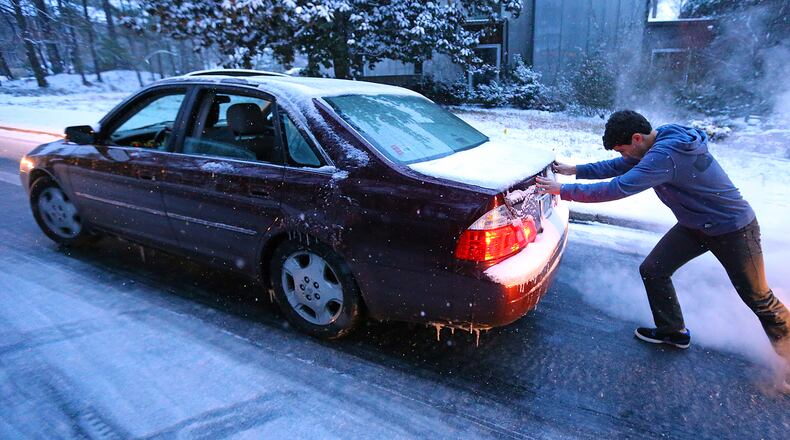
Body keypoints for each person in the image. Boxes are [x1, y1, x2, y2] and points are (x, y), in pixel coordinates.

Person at [535, 110, 790, 392]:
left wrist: (563, 190)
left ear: (637, 138)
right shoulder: (657, 141)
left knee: (758, 297)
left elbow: (619, 187)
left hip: (733, 228)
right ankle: (673, 332)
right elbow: (620, 166)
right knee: (654, 269)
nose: (623, 156)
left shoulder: (666, 155)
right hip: (696, 225)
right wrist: (576, 170)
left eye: (623, 149)